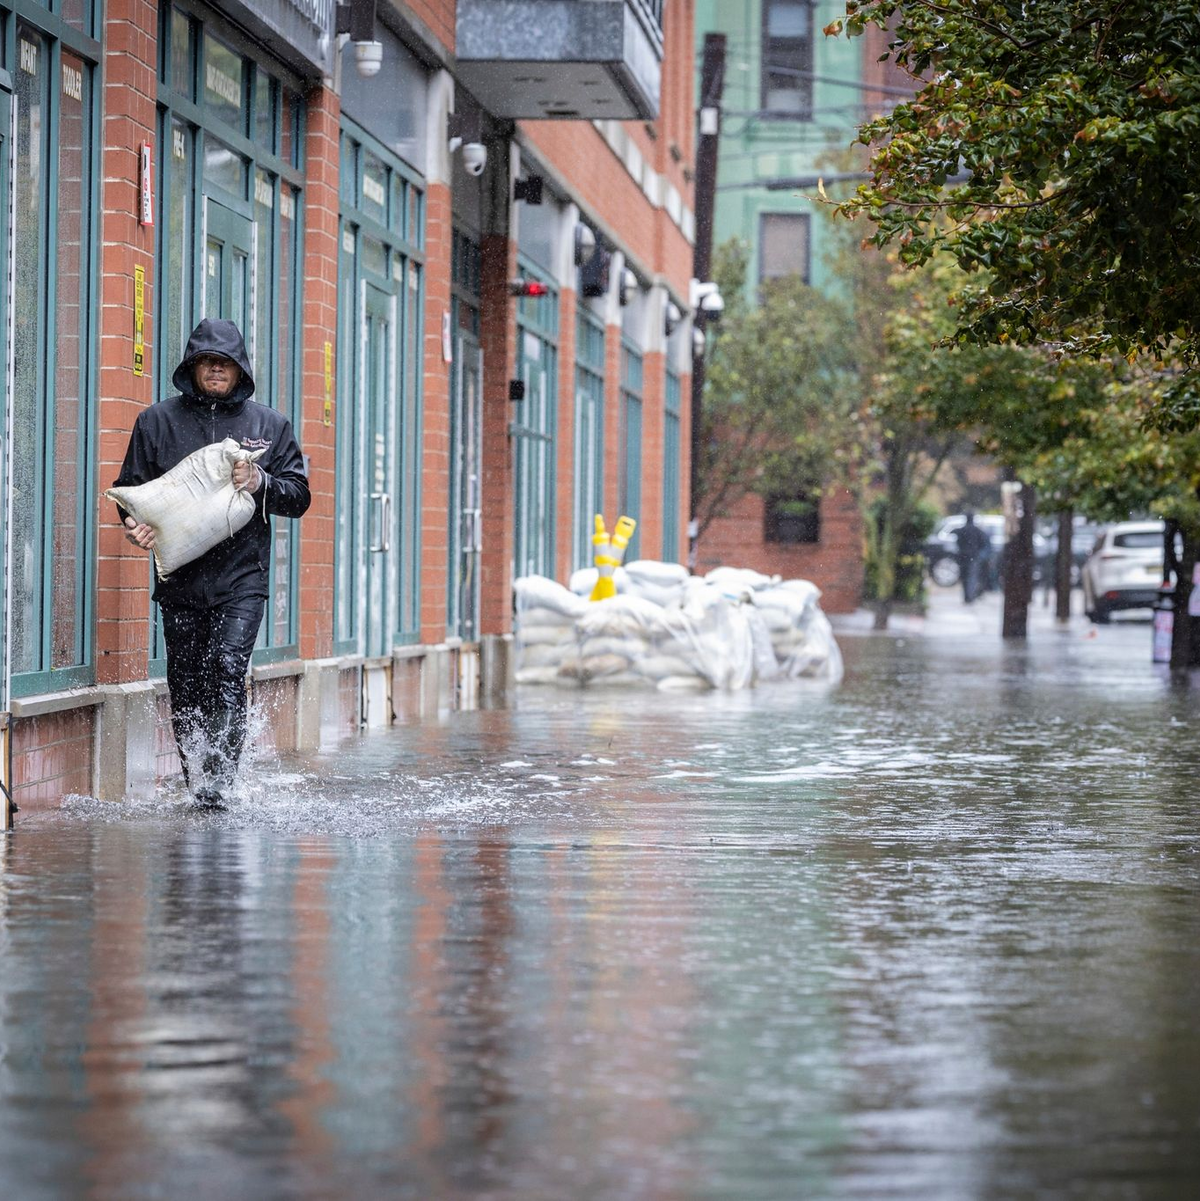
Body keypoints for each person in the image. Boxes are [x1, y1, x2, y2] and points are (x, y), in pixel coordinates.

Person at [114, 319, 311, 808]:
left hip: (242, 578)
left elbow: (299, 497)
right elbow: (132, 492)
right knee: (186, 681)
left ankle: (220, 785)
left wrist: (259, 480)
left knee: (225, 668)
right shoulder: (156, 422)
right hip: (180, 579)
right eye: (207, 362)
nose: (216, 371)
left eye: (224, 363)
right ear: (192, 367)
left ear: (239, 368)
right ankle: (195, 782)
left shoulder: (268, 426)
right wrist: (134, 526)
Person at [954, 512, 991, 604]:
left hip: (963, 557)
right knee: (971, 577)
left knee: (965, 578)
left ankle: (967, 597)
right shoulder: (977, 531)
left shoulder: (962, 530)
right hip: (973, 557)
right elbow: (984, 543)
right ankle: (970, 597)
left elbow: (957, 542)